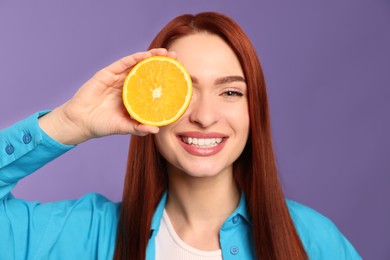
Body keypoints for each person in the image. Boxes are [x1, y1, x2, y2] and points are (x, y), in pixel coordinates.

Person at [0, 12, 361, 260]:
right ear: (150, 107)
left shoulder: (313, 240)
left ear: (255, 110)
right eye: (184, 92)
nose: (204, 116)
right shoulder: (82, 233)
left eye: (231, 92)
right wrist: (68, 122)